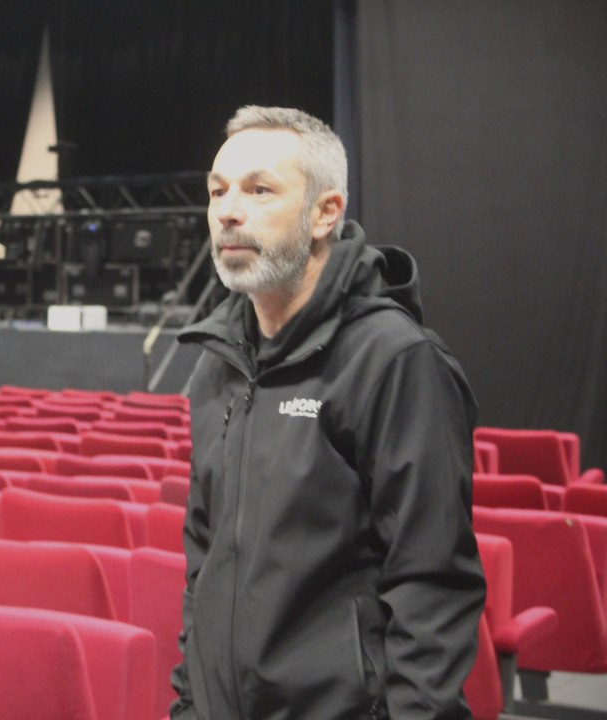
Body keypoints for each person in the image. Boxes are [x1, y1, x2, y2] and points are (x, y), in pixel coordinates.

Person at [170, 106, 485, 720]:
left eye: (259, 190)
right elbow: (204, 563)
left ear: (326, 213)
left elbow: (432, 585)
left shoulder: (395, 360)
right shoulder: (216, 361)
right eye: (217, 190)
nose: (228, 210)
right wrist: (189, 701)